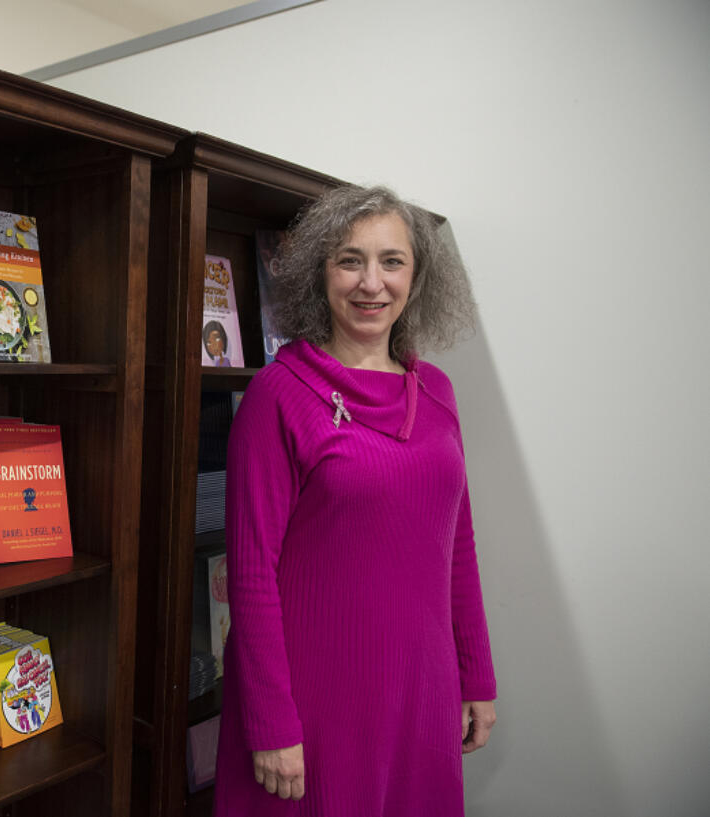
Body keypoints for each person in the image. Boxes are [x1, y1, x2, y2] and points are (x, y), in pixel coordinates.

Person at [214, 185, 497, 816]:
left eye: (392, 261)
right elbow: (252, 574)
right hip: (315, 702)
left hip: (421, 691)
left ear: (417, 276)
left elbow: (459, 546)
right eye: (350, 260)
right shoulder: (278, 394)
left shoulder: (437, 391)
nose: (372, 283)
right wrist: (271, 722)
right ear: (320, 272)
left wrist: (475, 675)